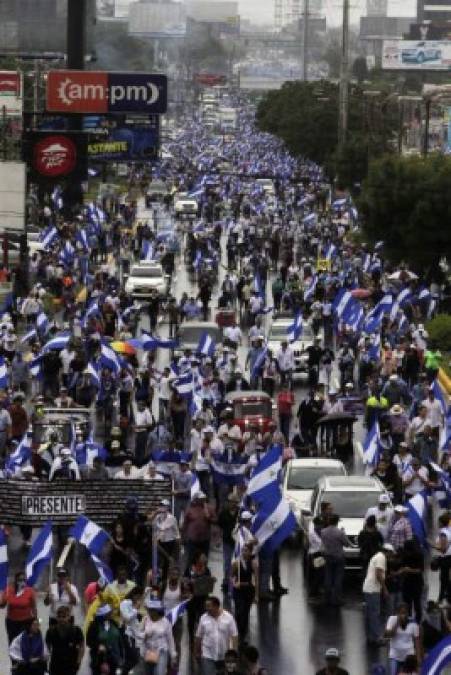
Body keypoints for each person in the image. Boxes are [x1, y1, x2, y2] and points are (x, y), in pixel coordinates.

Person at [195, 595, 238, 675]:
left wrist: (234, 653)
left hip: (224, 656)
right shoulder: (203, 618)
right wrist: (197, 652)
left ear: (216, 606)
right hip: (208, 655)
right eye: (206, 606)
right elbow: (199, 636)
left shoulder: (229, 618)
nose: (206, 608)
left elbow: (234, 635)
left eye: (209, 606)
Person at [362, 543, 393, 646]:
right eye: (390, 554)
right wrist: (385, 589)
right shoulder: (381, 558)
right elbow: (379, 574)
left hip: (368, 588)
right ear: (387, 551)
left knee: (369, 614)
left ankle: (370, 637)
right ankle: (377, 638)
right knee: (375, 614)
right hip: (373, 589)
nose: (390, 557)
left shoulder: (377, 556)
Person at [320, 514, 353, 606]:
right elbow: (347, 544)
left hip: (327, 555)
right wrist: (343, 533)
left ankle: (326, 598)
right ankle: (336, 599)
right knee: (338, 578)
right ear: (337, 522)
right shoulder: (340, 532)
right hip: (338, 556)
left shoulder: (323, 531)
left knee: (328, 576)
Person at [140, 598, 177, 675]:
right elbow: (138, 636)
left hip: (161, 651)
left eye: (152, 610)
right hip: (148, 651)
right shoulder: (145, 619)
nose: (149, 612)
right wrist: (145, 635)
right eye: (149, 609)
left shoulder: (166, 622)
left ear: (157, 611)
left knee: (159, 673)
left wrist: (173, 655)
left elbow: (170, 640)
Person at [45, 604, 84, 675]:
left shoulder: (76, 630)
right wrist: (47, 661)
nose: (61, 619)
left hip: (71, 665)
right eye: (59, 617)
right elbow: (47, 649)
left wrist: (78, 662)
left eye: (64, 617)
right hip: (55, 665)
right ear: (56, 617)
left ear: (69, 617)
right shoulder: (50, 631)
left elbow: (81, 647)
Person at [231, 543, 259, 644]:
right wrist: (234, 584)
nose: (244, 552)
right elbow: (232, 576)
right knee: (239, 612)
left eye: (246, 550)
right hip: (238, 591)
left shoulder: (253, 563)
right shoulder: (236, 563)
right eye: (242, 550)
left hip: (248, 591)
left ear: (250, 552)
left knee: (245, 614)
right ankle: (237, 632)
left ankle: (243, 635)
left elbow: (255, 579)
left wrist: (256, 595)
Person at [86, 603, 124, 675]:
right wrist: (98, 646)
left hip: (115, 657)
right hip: (100, 659)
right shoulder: (94, 626)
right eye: (109, 613)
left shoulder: (114, 623)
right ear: (104, 615)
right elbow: (89, 641)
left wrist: (121, 656)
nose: (111, 614)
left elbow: (120, 640)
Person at [0, 571, 37, 645]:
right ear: (15, 581)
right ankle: (13, 656)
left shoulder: (30, 591)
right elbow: (2, 605)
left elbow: (34, 608)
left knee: (23, 643)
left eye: (24, 580)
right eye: (20, 580)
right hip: (11, 622)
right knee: (12, 643)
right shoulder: (9, 590)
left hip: (26, 621)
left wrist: (36, 622)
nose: (22, 582)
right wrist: (1, 598)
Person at [384, 603, 421, 675]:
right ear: (397, 613)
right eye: (401, 613)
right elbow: (387, 635)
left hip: (409, 656)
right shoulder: (392, 619)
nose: (403, 615)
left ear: (408, 613)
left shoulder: (413, 622)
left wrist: (418, 658)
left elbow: (417, 641)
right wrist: (397, 623)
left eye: (405, 613)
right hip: (395, 655)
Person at [120, 585, 144, 674]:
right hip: (127, 634)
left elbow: (137, 622)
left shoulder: (137, 605)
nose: (138, 599)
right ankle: (123, 672)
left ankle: (124, 672)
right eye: (137, 596)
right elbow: (127, 618)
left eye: (140, 597)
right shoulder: (125, 603)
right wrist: (135, 609)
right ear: (133, 594)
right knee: (135, 658)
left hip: (135, 636)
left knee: (131, 658)